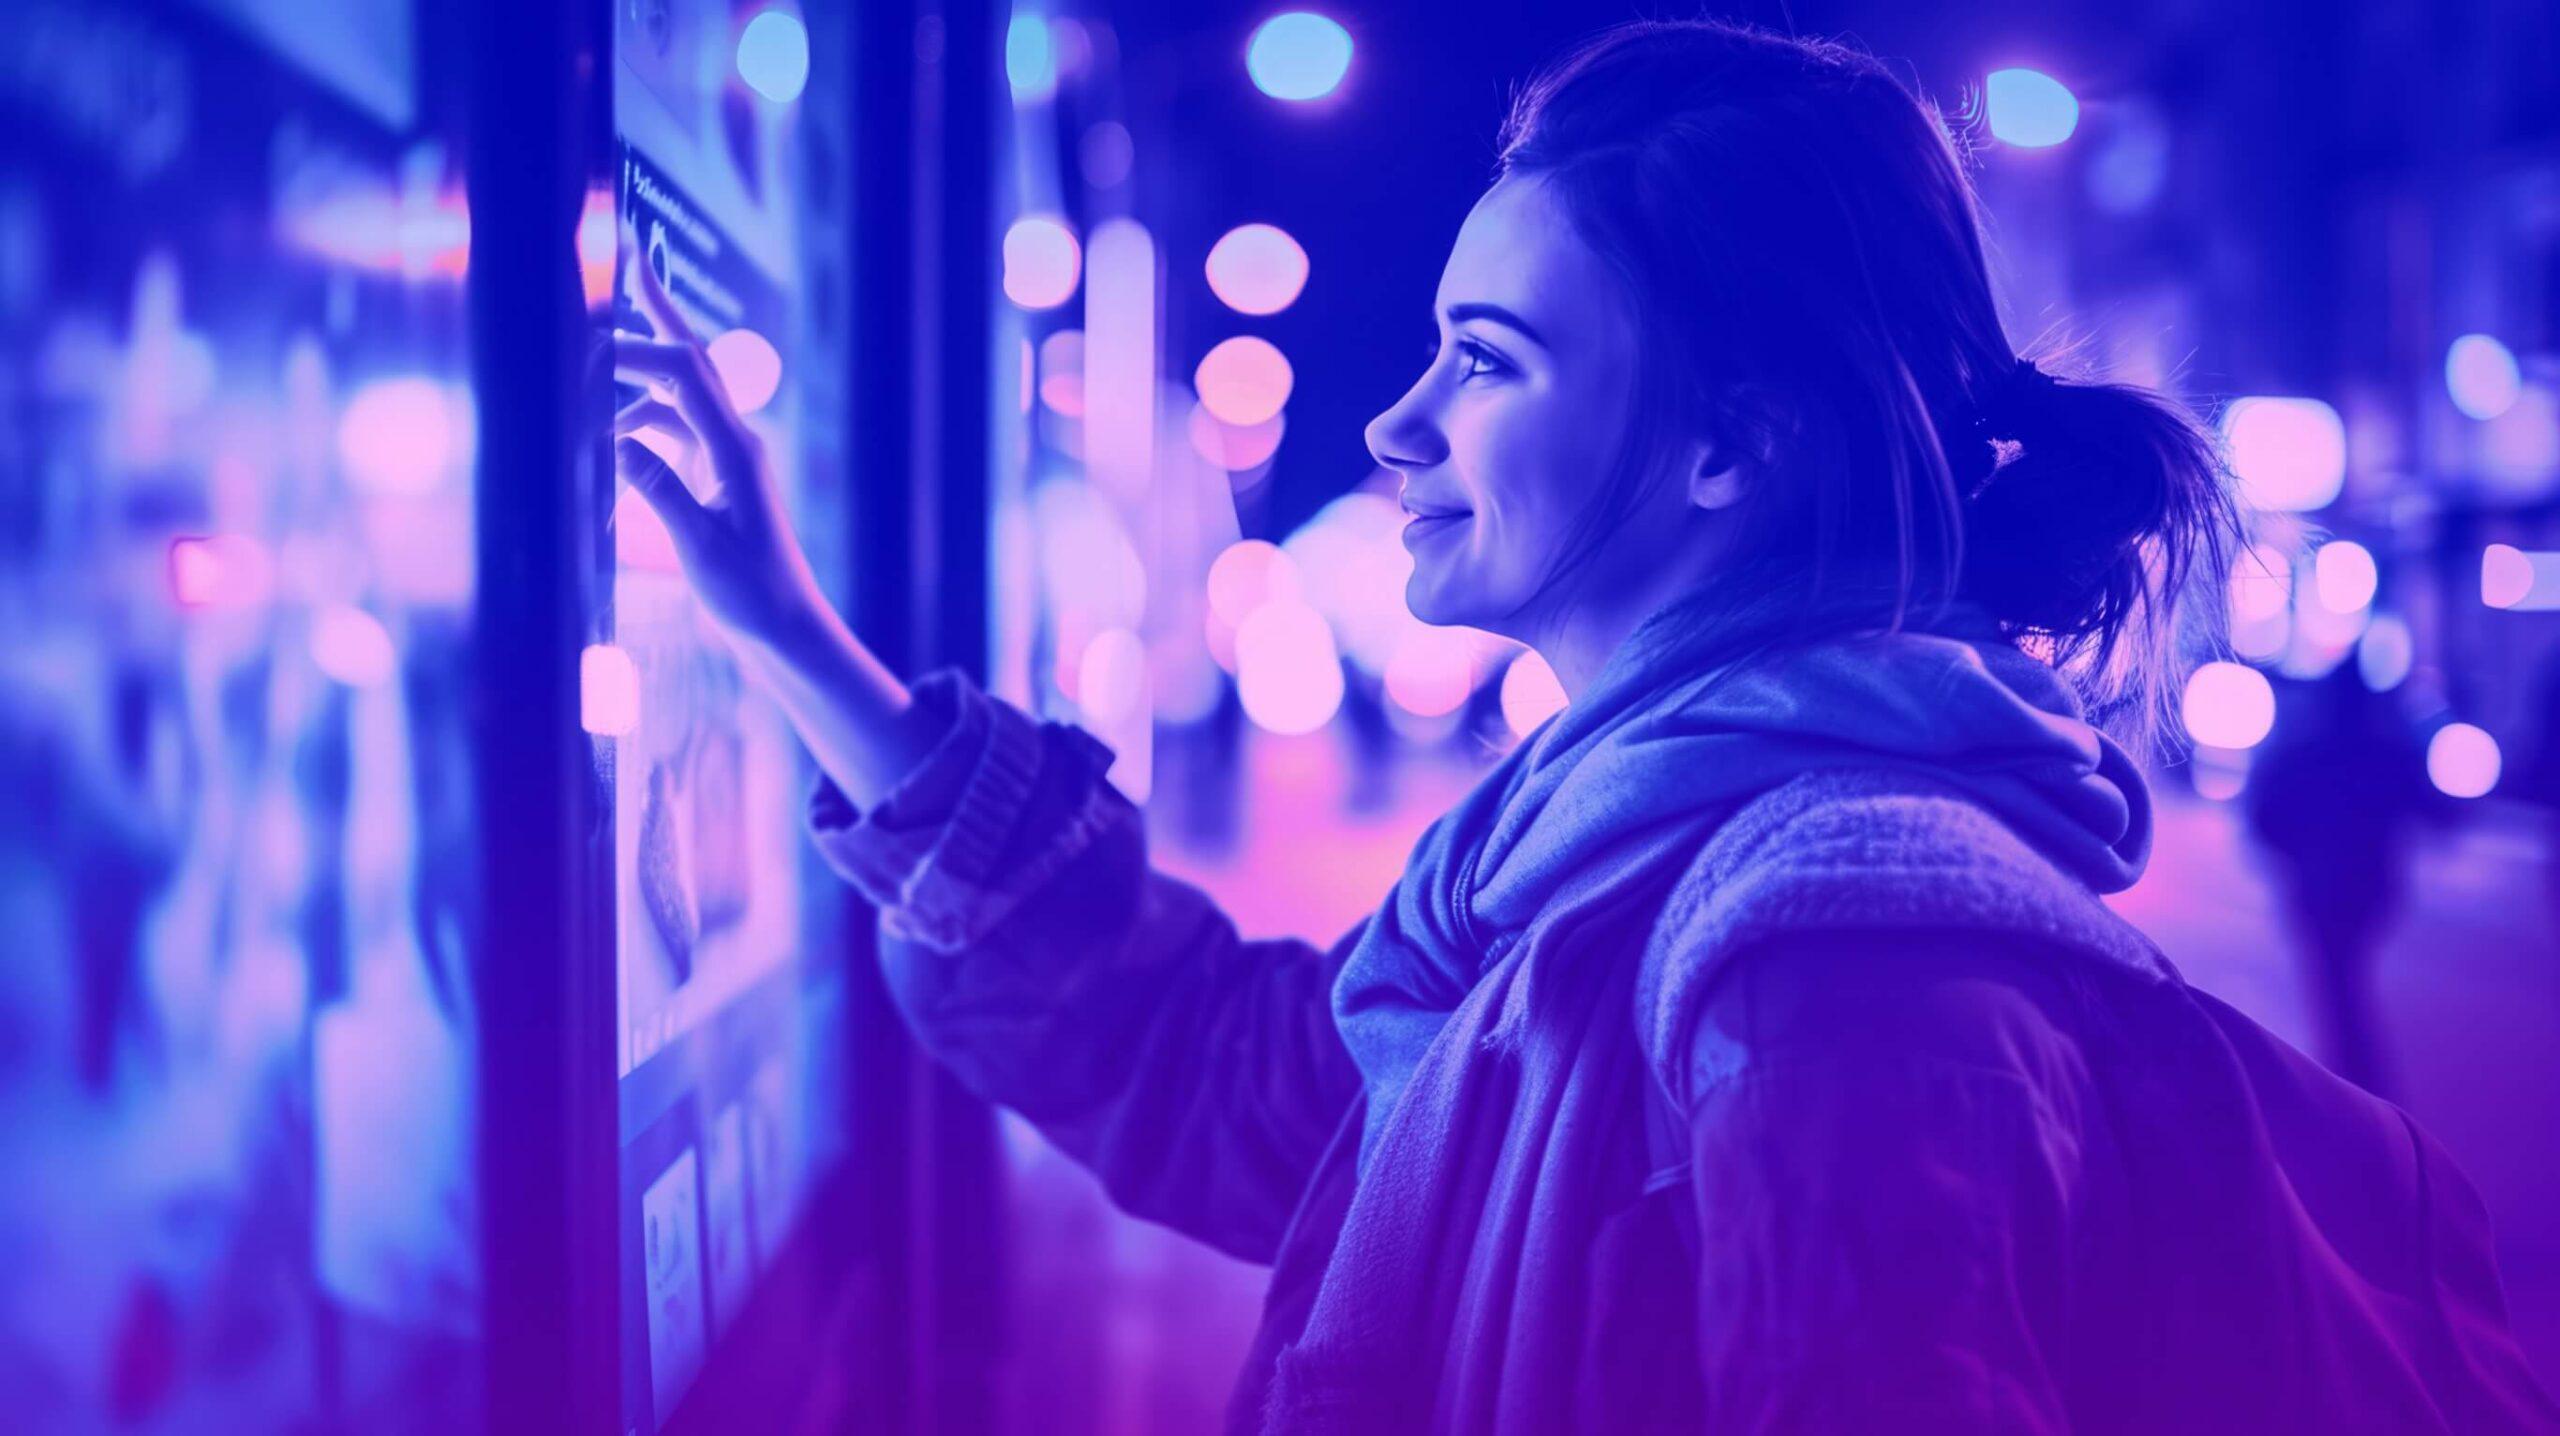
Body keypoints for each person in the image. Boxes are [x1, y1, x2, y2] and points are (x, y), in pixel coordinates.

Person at [611, 19, 2560, 1433]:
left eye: (1486, 359)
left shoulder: (1841, 979)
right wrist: (791, 638)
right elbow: (1239, 1081)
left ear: (1731, 444)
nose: (1393, 427)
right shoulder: (1581, 868)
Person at [2243, 664, 2433, 1098]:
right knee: (2344, 982)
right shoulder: (2385, 751)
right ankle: (2357, 1080)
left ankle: (2353, 1082)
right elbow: (2433, 809)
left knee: (2335, 983)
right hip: (2369, 887)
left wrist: (2297, 854)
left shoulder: (2303, 752)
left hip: (2318, 886)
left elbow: (2264, 817)